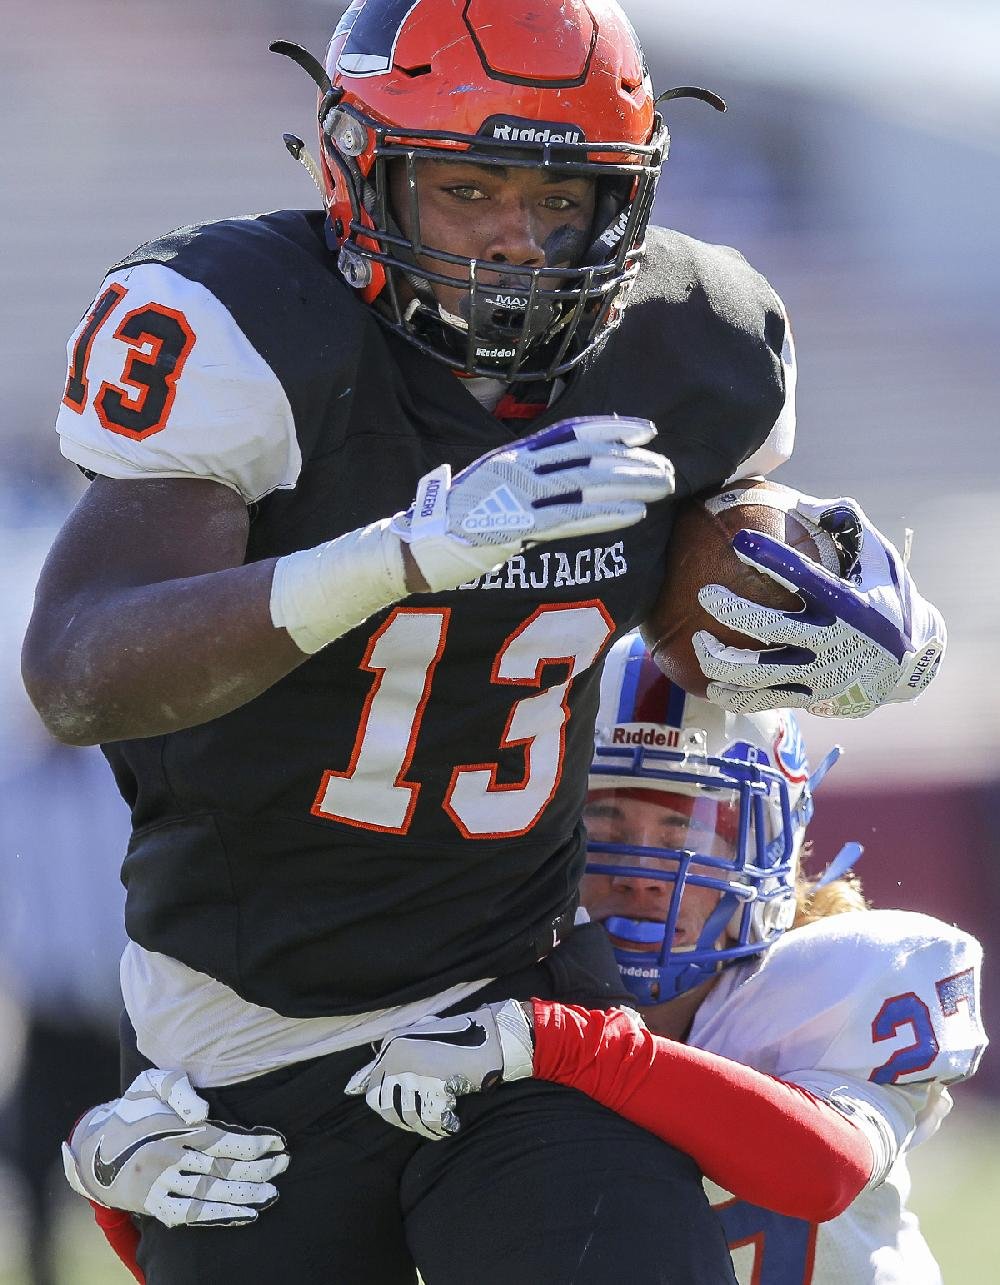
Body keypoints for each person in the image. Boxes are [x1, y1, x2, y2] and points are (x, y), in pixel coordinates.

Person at [30, 2, 944, 1281]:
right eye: (466, 188)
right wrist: (393, 558)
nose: (517, 239)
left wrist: (820, 591)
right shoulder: (244, 320)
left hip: (520, 991)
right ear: (363, 175)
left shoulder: (699, 337)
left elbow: (709, 567)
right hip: (241, 1019)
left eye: (562, 196)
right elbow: (80, 671)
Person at [343, 633, 987, 1283]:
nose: (646, 870)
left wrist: (573, 1047)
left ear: (775, 845)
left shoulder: (841, 975)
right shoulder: (475, 999)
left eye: (686, 828)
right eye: (605, 820)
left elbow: (824, 1170)